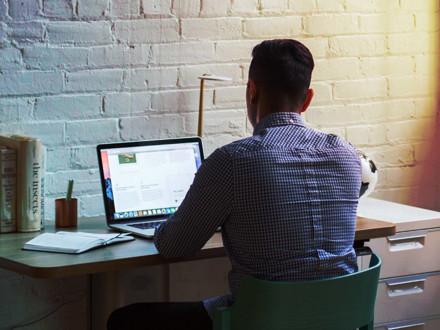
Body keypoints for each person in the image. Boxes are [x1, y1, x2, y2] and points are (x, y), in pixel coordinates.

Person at [107, 39, 362, 330]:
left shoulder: (232, 161)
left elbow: (173, 246)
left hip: (260, 321)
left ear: (251, 91)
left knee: (124, 320)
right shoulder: (348, 156)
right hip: (338, 320)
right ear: (308, 99)